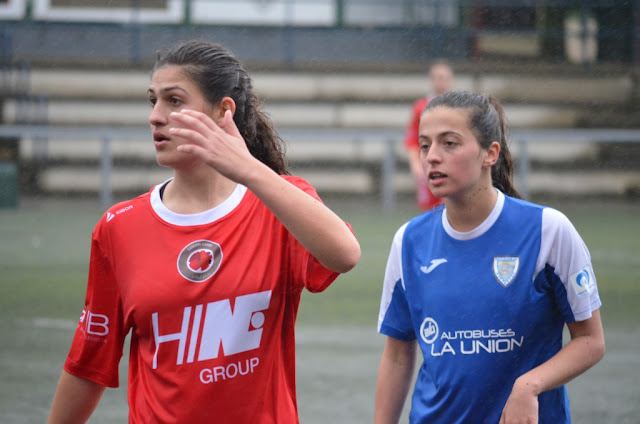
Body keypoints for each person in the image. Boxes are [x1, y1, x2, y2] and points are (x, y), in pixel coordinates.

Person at [47, 40, 361, 423]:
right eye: (153, 101)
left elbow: (345, 255)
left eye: (174, 101)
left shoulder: (280, 203)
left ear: (222, 111)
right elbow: (88, 365)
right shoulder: (120, 227)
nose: (156, 116)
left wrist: (246, 168)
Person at [375, 91, 605, 424]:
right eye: (425, 145)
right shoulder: (408, 241)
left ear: (490, 153)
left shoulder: (548, 231)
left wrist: (528, 386)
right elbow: (397, 355)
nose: (432, 157)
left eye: (449, 143)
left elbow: (590, 340)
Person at [404, 59, 454, 211]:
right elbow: (412, 140)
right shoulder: (420, 107)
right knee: (428, 213)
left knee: (451, 209)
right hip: (428, 165)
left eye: (444, 78)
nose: (441, 82)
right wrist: (416, 166)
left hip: (451, 167)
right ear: (431, 81)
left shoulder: (459, 109)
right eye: (437, 78)